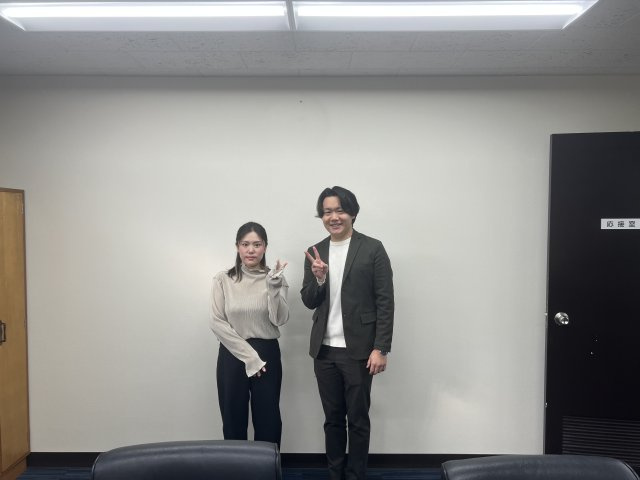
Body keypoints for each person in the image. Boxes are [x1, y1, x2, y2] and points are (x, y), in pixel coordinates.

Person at [301, 186, 394, 480]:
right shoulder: (315, 252)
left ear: (352, 213)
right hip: (324, 351)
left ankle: (355, 476)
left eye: (340, 210)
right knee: (332, 420)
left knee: (357, 420)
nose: (334, 217)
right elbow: (309, 300)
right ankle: (335, 475)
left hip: (359, 351)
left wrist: (381, 347)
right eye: (327, 212)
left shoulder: (373, 248)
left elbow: (385, 301)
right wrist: (319, 278)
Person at [210, 221, 289, 447]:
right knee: (233, 417)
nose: (251, 250)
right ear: (237, 247)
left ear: (265, 247)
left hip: (266, 353)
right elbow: (216, 322)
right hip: (233, 353)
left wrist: (273, 287)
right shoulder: (223, 279)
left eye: (257, 244)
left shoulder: (275, 278)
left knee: (268, 418)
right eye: (245, 244)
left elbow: (280, 319)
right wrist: (250, 357)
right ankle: (236, 465)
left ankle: (267, 465)